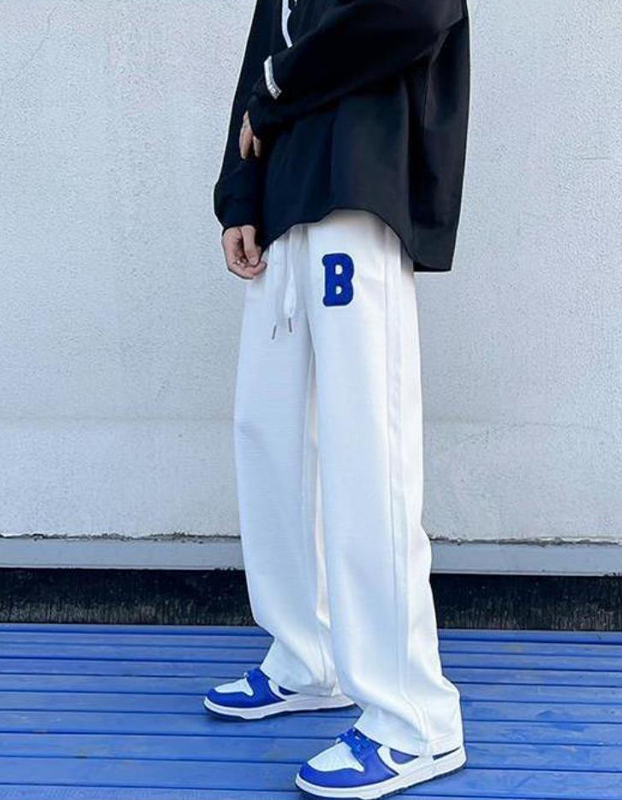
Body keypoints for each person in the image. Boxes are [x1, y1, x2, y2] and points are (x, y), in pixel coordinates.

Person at [206, 1, 470, 797]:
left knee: (367, 451)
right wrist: (239, 195)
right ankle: (308, 655)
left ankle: (414, 719)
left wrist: (280, 85)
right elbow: (265, 51)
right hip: (286, 198)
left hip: (359, 181)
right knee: (268, 434)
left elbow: (415, 13)